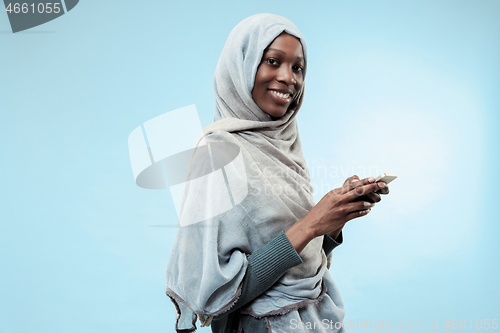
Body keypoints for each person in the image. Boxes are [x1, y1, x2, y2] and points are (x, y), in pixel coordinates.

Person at [165, 13, 389, 333]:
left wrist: (333, 220)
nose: (289, 77)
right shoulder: (216, 155)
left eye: (298, 67)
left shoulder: (284, 146)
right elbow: (222, 293)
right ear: (241, 67)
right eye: (272, 61)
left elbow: (296, 262)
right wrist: (312, 223)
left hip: (315, 321)